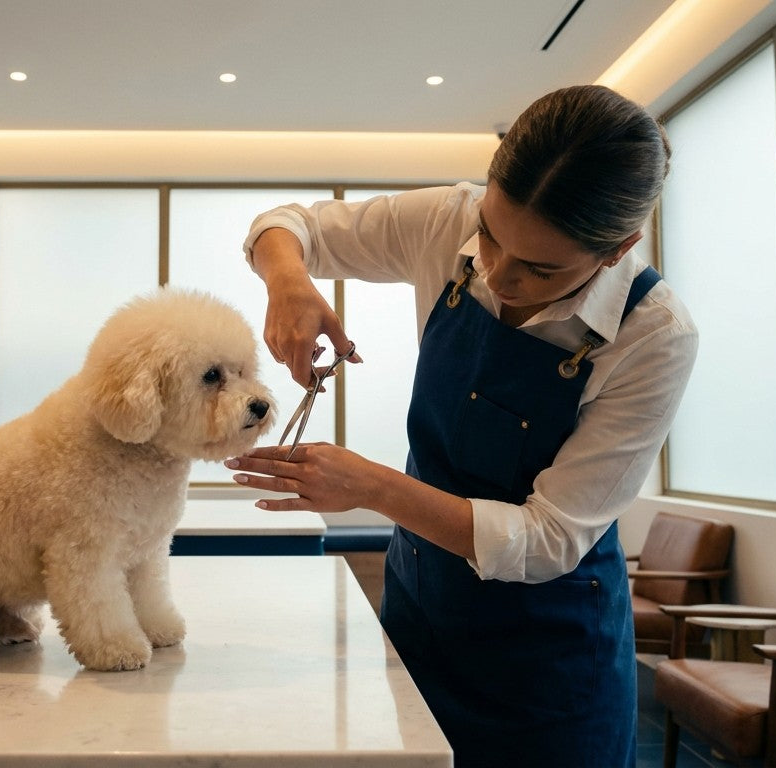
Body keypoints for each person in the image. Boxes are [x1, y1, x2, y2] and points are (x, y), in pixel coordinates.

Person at [224, 85, 698, 767]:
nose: (499, 274)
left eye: (541, 268)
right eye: (492, 237)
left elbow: (548, 540)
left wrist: (373, 487)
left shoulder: (653, 336)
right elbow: (286, 223)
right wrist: (288, 282)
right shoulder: (449, 221)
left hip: (551, 657)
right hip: (423, 608)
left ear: (618, 247)